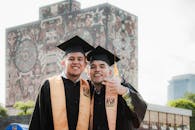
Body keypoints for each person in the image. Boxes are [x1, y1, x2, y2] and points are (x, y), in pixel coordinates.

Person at [29, 35, 94, 130]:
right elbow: (38, 120)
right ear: (63, 62)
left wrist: (123, 89)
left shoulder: (88, 87)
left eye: (80, 59)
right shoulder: (49, 85)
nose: (76, 62)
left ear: (84, 65)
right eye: (71, 59)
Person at [87, 46, 147, 130]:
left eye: (102, 66)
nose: (97, 69)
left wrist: (124, 91)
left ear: (110, 71)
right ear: (88, 72)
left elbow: (140, 109)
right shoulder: (86, 91)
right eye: (93, 67)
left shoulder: (121, 87)